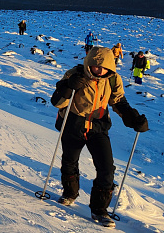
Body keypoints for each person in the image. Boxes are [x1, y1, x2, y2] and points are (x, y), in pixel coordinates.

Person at [51, 46, 149, 227]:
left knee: (107, 168)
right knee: (69, 162)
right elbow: (57, 101)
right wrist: (68, 86)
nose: (98, 70)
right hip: (74, 125)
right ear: (89, 63)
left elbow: (119, 101)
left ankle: (99, 209)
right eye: (95, 66)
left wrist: (134, 119)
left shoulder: (113, 79)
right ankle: (70, 194)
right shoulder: (75, 74)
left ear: (110, 66)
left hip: (98, 128)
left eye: (103, 67)